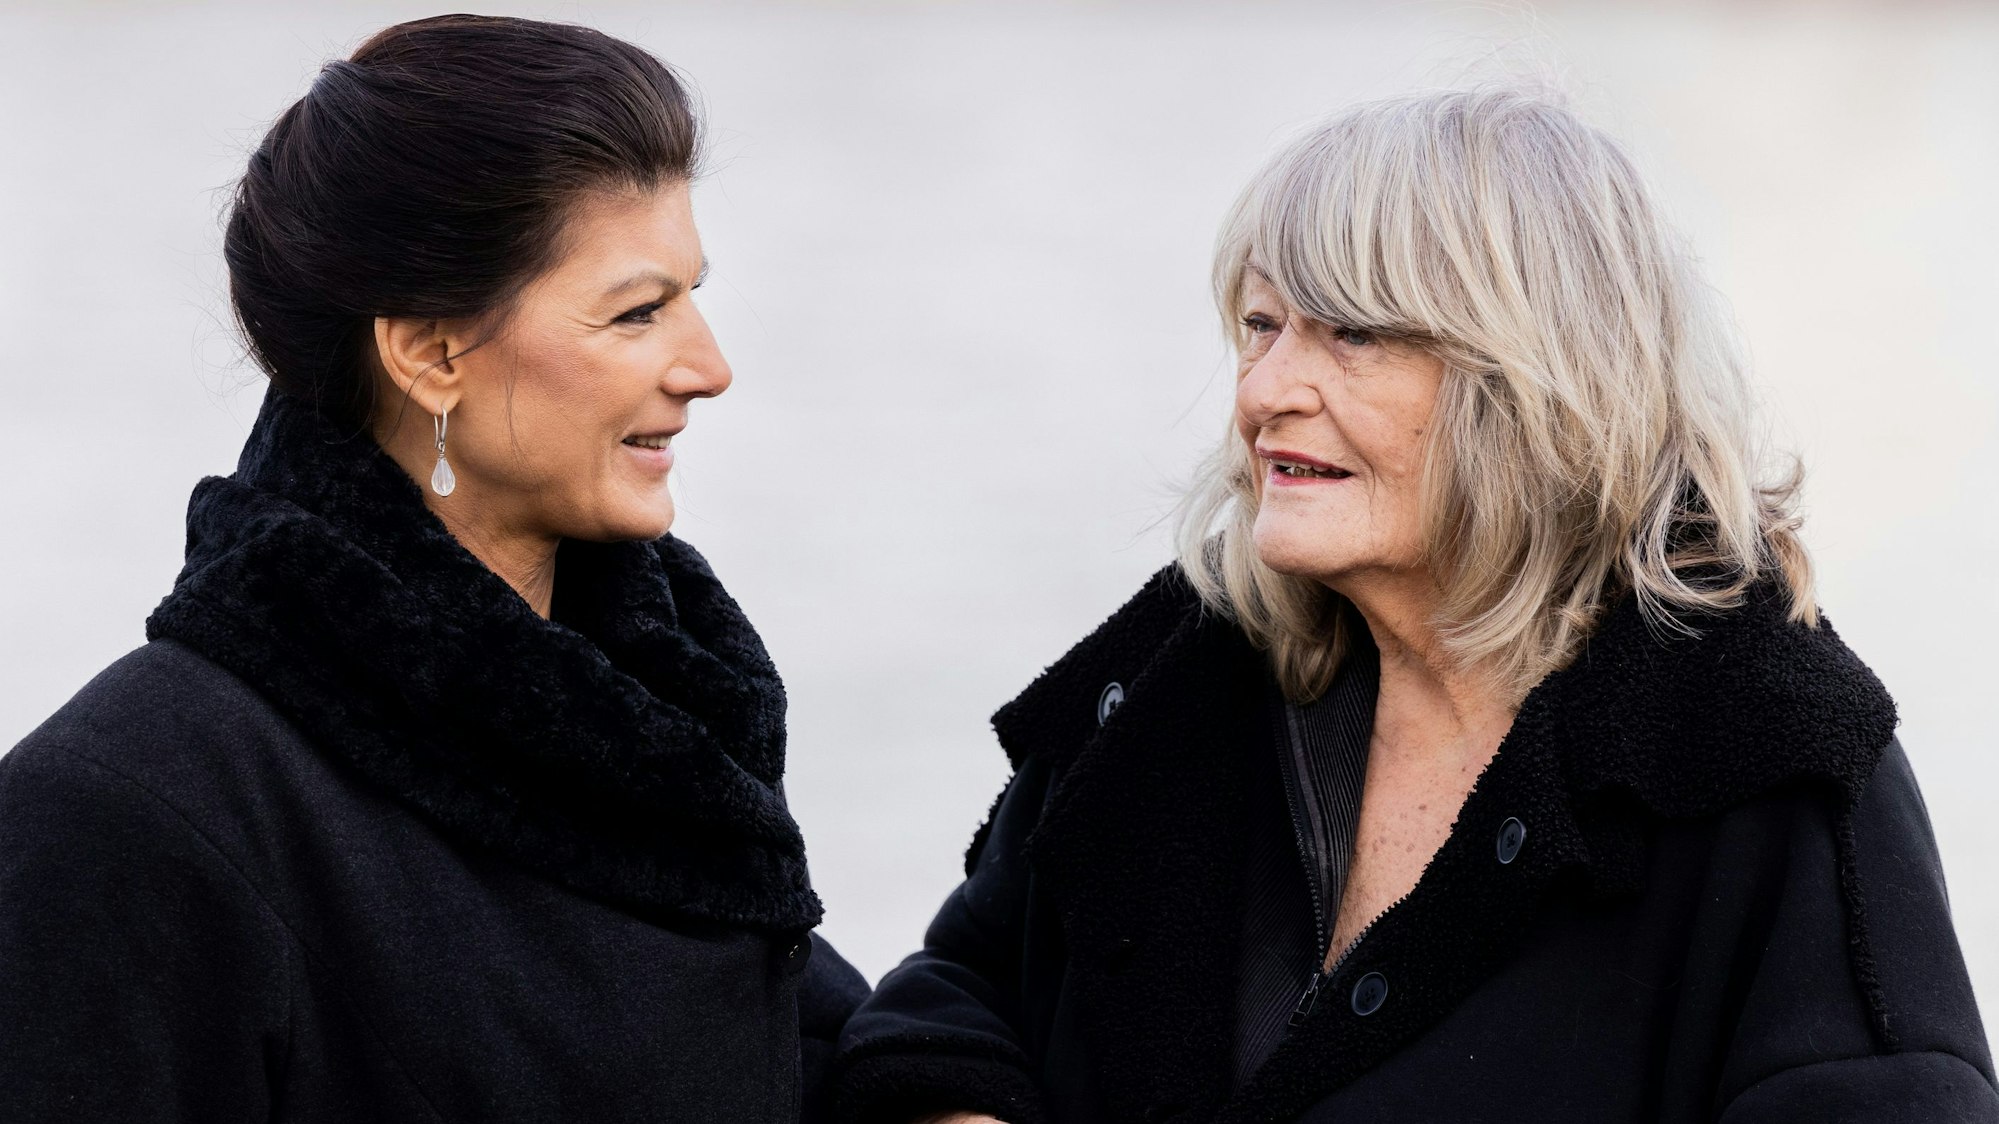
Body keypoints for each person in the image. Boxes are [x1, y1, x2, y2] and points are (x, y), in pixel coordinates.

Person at [830, 88, 1997, 1123]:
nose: (1265, 390)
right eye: (1260, 326)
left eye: (1351, 333)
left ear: (1539, 378)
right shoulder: (1187, 668)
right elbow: (948, 1002)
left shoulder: (1768, 759)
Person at [0, 15, 865, 1122]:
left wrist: (937, 1084)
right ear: (430, 352)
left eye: (693, 294)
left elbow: (803, 1032)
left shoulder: (664, 721)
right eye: (638, 312)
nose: (708, 366)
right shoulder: (131, 810)